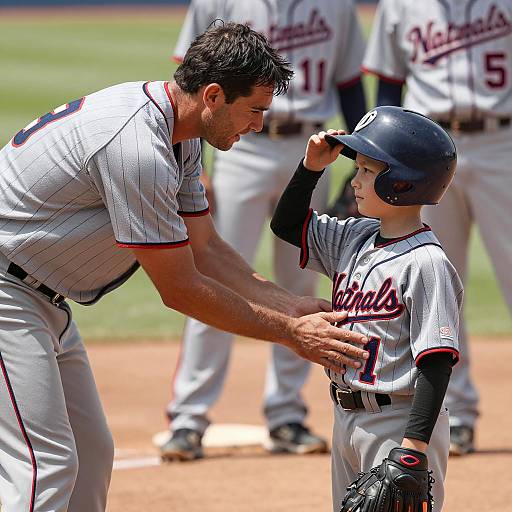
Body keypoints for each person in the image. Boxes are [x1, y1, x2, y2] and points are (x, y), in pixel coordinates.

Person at [0, 23, 370, 512]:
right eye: (255, 110)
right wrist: (292, 333)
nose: (259, 124)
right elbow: (181, 288)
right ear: (214, 95)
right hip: (9, 296)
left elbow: (206, 249)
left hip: (39, 296)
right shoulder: (138, 146)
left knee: (91, 454)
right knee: (44, 463)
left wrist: (292, 304)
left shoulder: (181, 131)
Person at [161, 0, 367, 461]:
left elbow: (351, 87)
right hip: (239, 150)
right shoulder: (216, 3)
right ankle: (189, 417)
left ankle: (287, 414)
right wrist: (194, 163)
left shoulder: (336, 7)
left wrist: (360, 166)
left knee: (299, 279)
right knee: (212, 276)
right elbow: (190, 86)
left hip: (312, 146)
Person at [270, 106, 463, 512]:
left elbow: (437, 360)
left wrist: (413, 449)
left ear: (402, 183)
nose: (354, 181)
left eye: (367, 171)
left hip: (399, 423)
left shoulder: (426, 263)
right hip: (345, 416)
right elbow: (287, 225)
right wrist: (309, 169)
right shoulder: (353, 237)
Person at [361, 0, 512, 456]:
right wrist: (381, 157)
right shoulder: (401, 6)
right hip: (423, 151)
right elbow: (388, 85)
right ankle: (457, 415)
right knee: (437, 282)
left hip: (501, 143)